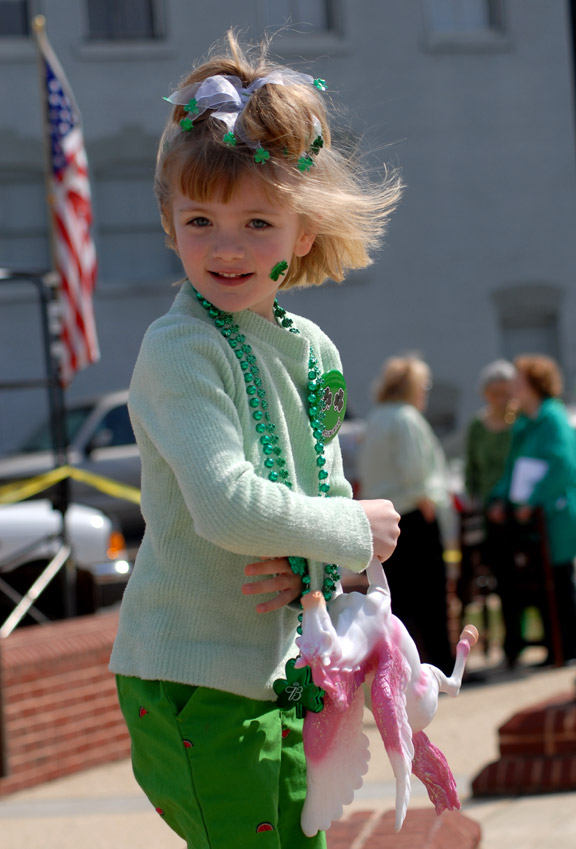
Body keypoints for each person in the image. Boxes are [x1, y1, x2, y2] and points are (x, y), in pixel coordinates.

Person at [109, 31, 402, 849]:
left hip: (282, 666)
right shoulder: (181, 348)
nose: (226, 246)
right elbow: (227, 502)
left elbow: (322, 488)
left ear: (303, 231)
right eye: (199, 219)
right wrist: (353, 532)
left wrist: (333, 556)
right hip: (193, 671)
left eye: (258, 222)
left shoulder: (311, 350)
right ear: (170, 222)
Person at [357, 355, 455, 673]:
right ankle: (439, 668)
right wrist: (427, 498)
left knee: (399, 602)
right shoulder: (406, 418)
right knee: (430, 599)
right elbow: (416, 472)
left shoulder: (376, 419)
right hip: (413, 514)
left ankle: (404, 672)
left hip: (384, 520)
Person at [488, 354, 576, 666]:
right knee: (538, 581)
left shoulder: (552, 418)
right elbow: (512, 470)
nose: (513, 386)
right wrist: (498, 499)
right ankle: (553, 646)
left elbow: (564, 466)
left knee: (560, 579)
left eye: (519, 381)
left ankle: (566, 647)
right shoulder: (523, 424)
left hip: (555, 516)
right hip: (530, 522)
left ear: (535, 385)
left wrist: (535, 499)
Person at [465, 359, 516, 507]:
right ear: (485, 393)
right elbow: (471, 466)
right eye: (495, 394)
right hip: (488, 504)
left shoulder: (521, 421)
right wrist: (472, 496)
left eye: (505, 394)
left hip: (519, 506)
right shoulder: (477, 426)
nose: (501, 400)